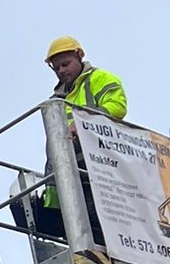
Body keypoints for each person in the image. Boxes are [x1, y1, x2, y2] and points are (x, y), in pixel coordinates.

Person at [28, 35, 127, 242]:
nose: (62, 71)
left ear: (79, 56)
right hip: (71, 169)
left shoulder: (100, 78)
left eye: (66, 64)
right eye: (56, 68)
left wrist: (82, 122)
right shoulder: (56, 101)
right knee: (78, 222)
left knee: (99, 220)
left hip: (101, 165)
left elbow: (117, 107)